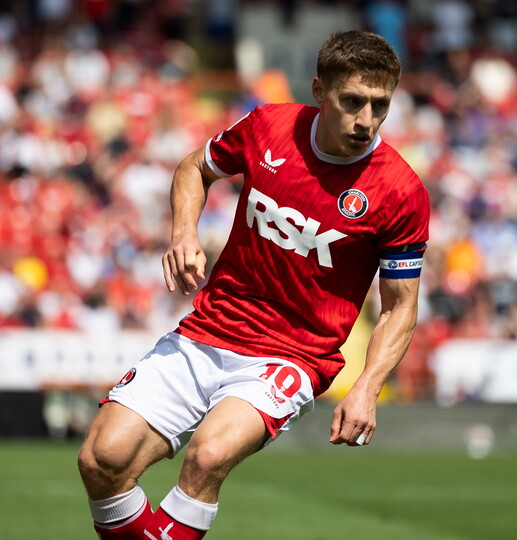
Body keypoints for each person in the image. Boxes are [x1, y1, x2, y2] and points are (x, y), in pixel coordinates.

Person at [77, 30, 430, 540]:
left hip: (291, 355)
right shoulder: (269, 127)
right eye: (352, 101)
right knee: (101, 458)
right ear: (318, 90)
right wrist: (184, 234)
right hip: (210, 328)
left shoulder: (399, 191)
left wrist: (367, 388)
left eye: (380, 105)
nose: (366, 120)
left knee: (209, 455)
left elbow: (400, 308)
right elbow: (194, 168)